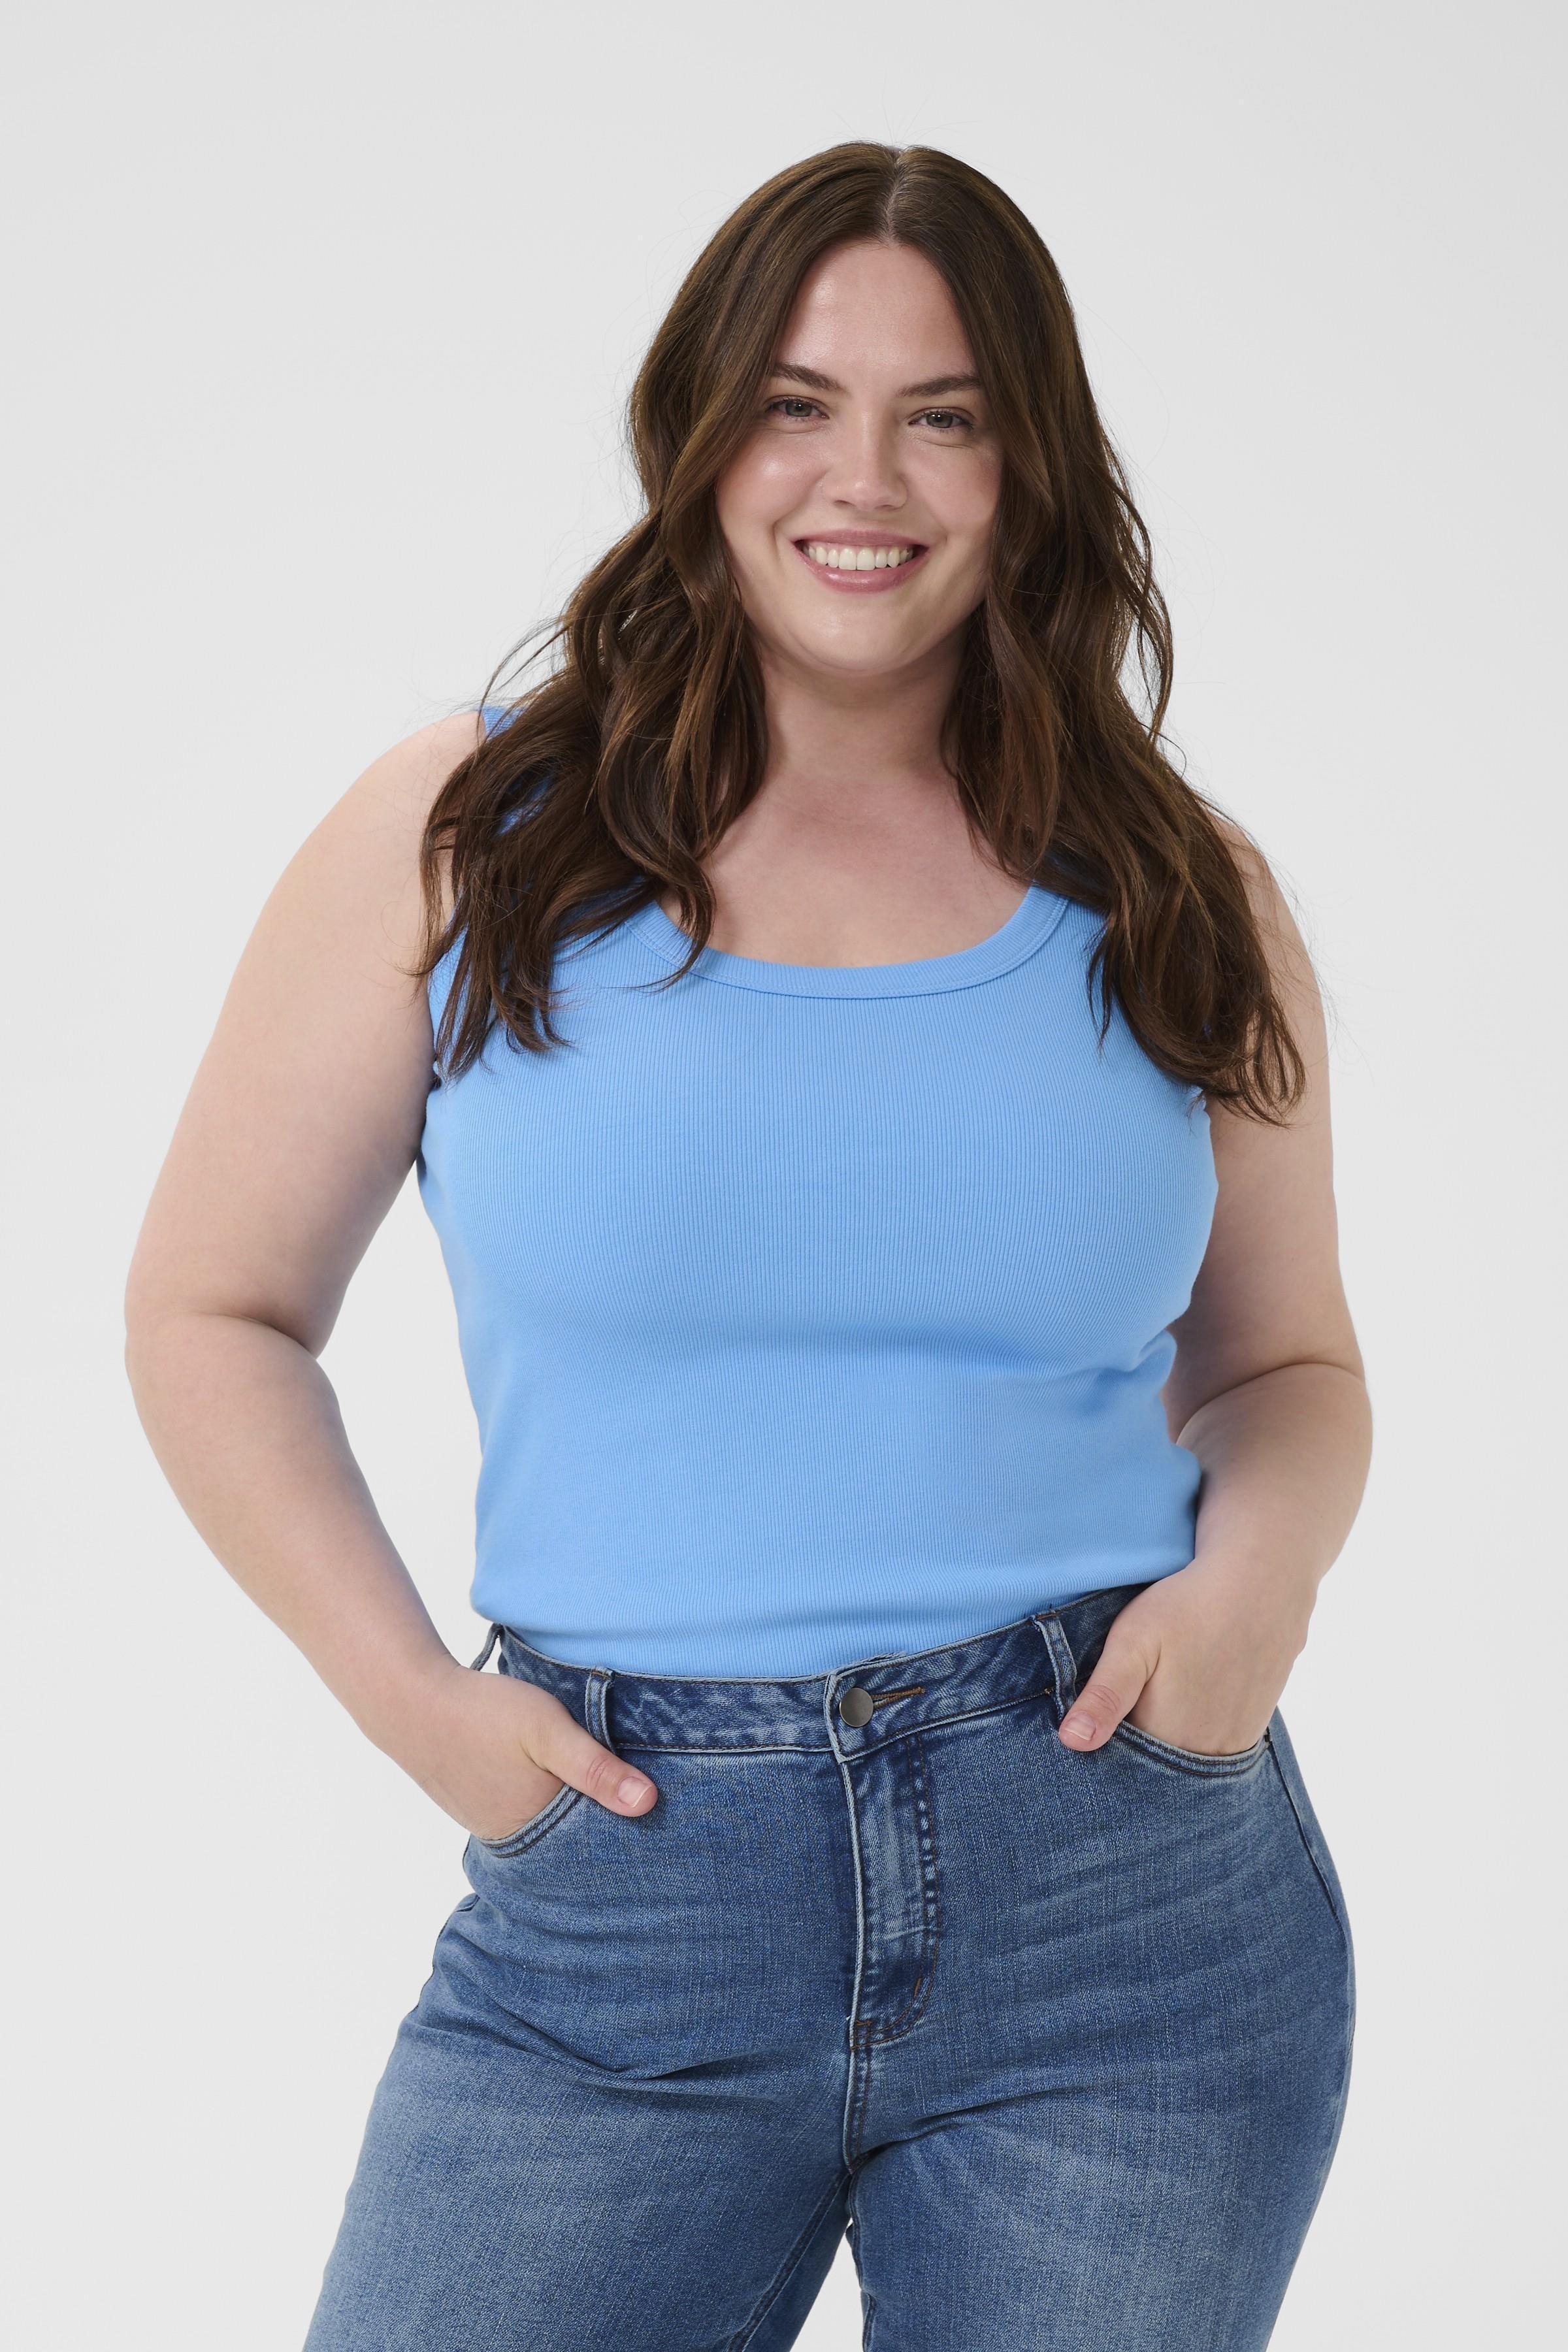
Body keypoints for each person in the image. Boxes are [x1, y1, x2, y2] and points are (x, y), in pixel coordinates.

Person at [124, 141, 1370, 2351]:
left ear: (1028, 461)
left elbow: (1288, 1368)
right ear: (699, 434)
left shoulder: (1181, 885)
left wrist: (1251, 1594)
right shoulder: (472, 837)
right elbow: (212, 1313)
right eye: (797, 404)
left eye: (942, 413)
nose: (861, 479)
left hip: (1124, 1899)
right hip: (624, 1890)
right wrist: (420, 1714)